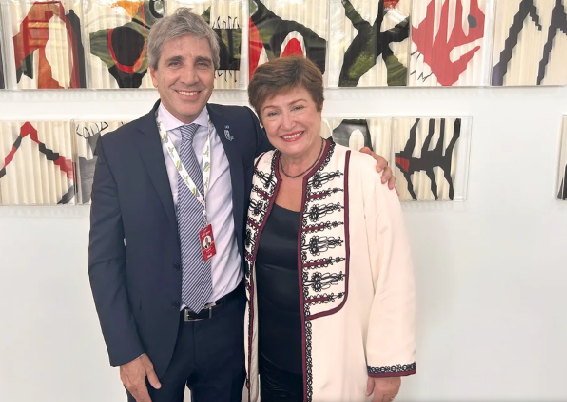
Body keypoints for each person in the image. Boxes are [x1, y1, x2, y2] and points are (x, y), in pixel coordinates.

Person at [88, 8, 395, 402]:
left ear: (214, 72)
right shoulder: (119, 150)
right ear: (154, 73)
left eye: (202, 63)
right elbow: (105, 260)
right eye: (175, 63)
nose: (190, 76)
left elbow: (296, 152)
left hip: (229, 330)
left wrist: (356, 163)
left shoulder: (243, 126)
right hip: (153, 336)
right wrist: (125, 350)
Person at [244, 56, 416, 402]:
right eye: (272, 112)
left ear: (320, 106)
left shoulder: (365, 173)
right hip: (271, 362)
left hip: (340, 362)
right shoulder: (258, 169)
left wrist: (388, 366)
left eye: (298, 107)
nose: (287, 123)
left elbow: (394, 273)